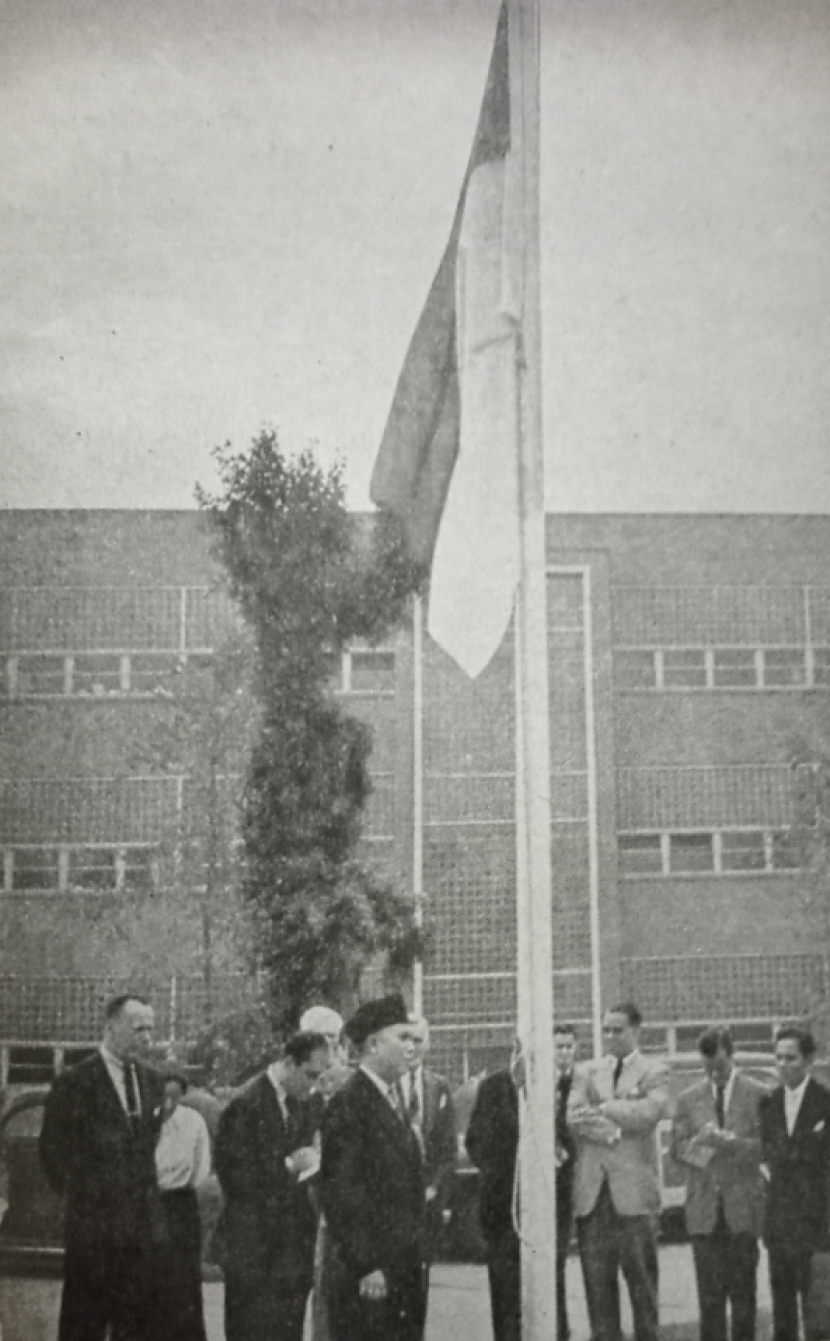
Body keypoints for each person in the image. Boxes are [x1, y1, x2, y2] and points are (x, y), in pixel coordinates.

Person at [39, 992, 165, 1341]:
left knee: (136, 1325)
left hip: (140, 1233)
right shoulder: (74, 1083)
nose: (147, 1038)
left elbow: (146, 1149)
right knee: (85, 1323)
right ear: (110, 1027)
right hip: (92, 1232)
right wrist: (86, 1200)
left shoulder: (152, 1081)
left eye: (150, 1030)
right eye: (138, 1029)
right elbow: (52, 1153)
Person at [321, 994, 426, 1341]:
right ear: (374, 1044)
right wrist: (366, 1265)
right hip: (370, 1277)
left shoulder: (388, 1099)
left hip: (402, 1268)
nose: (411, 1047)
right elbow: (342, 1192)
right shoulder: (349, 1104)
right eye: (403, 1038)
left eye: (413, 1039)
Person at [214, 1030, 331, 1341]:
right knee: (251, 1330)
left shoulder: (309, 1101)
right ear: (289, 1063)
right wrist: (291, 1165)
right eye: (311, 1075)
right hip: (252, 1247)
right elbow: (235, 1177)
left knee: (288, 1329)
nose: (315, 1084)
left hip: (293, 1247)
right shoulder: (245, 1104)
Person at [567, 1001, 669, 1341]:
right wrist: (613, 1131)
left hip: (634, 1199)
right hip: (593, 1199)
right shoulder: (586, 1071)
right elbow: (574, 1115)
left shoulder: (654, 1070)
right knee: (599, 1296)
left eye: (618, 1029)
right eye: (606, 1029)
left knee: (643, 1292)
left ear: (636, 1031)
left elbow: (650, 1113)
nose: (611, 1036)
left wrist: (606, 1107)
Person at [671, 1027, 766, 1341]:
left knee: (744, 1301)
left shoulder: (758, 1094)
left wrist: (733, 1143)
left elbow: (767, 1147)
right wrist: (700, 1144)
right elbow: (677, 1152)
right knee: (709, 1303)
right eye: (707, 1068)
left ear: (732, 1055)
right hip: (705, 1213)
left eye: (720, 1067)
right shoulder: (687, 1099)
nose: (715, 1074)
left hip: (742, 1210)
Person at [760, 1024, 830, 1341]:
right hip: (780, 1227)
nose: (783, 1065)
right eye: (778, 1058)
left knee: (819, 1318)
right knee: (783, 1317)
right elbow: (766, 1157)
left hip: (818, 1228)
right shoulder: (768, 1104)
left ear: (808, 1060)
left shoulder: (825, 1103)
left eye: (790, 1058)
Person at [465, 1040, 523, 1341]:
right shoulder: (494, 1087)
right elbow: (474, 1140)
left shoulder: (556, 1084)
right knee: (504, 1291)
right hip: (500, 1207)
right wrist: (500, 1168)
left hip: (545, 1211)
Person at [154, 1068, 212, 1341]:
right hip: (150, 1204)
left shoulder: (193, 1122)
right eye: (163, 1096)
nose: (168, 1102)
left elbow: (201, 1166)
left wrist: (184, 1190)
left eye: (175, 1097)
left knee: (183, 1281)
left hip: (181, 1206)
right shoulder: (145, 1122)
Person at [402, 1016, 456, 1270]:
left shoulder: (439, 1087)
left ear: (428, 1044)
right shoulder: (387, 1086)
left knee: (420, 1281)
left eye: (418, 1040)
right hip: (395, 1203)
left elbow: (448, 1149)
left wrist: (435, 1189)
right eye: (405, 1039)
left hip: (427, 1201)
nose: (411, 1047)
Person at [555, 1023, 578, 1341]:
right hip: (549, 1185)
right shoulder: (540, 1083)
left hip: (573, 1179)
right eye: (557, 1046)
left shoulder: (582, 1082)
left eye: (568, 1046)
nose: (563, 1053)